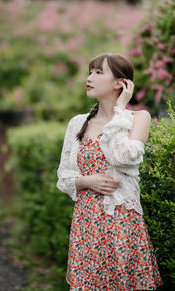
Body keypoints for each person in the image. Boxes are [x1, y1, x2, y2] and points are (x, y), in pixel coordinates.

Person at [56, 53, 163, 290]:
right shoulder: (77, 123)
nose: (89, 78)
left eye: (98, 72)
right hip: (87, 224)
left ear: (120, 83)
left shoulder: (138, 118)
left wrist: (120, 109)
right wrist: (87, 180)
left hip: (123, 223)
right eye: (90, 71)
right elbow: (63, 178)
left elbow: (124, 158)